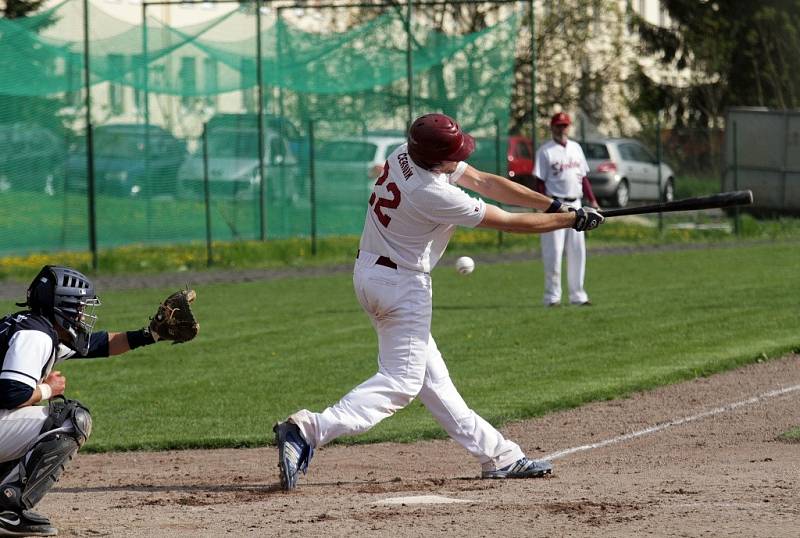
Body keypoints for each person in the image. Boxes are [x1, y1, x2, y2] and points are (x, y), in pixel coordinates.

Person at [273, 113, 604, 490]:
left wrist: (554, 206)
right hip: (402, 286)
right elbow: (509, 221)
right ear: (434, 158)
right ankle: (307, 431)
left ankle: (500, 456)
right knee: (401, 382)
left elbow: (485, 181)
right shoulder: (432, 193)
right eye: (453, 153)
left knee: (435, 381)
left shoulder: (405, 154)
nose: (459, 157)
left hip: (371, 273)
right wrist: (570, 221)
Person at [0, 266, 197, 536]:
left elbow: (99, 344)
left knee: (36, 418)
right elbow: (11, 393)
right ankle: (8, 507)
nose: (83, 314)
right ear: (61, 307)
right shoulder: (35, 336)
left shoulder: (31, 325)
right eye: (79, 306)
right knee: (70, 420)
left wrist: (151, 334)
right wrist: (48, 389)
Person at [534, 112, 600, 307]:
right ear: (552, 128)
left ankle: (578, 296)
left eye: (564, 125)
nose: (561, 129)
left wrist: (593, 200)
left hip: (577, 204)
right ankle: (552, 297)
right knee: (553, 252)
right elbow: (539, 181)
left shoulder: (576, 148)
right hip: (555, 206)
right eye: (558, 126)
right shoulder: (545, 151)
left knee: (577, 251)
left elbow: (583, 177)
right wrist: (542, 205)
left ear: (569, 127)